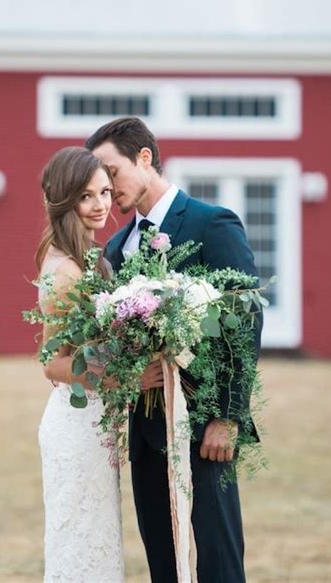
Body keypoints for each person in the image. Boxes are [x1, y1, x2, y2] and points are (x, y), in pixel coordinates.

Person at [86, 117, 262, 583]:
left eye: (112, 173)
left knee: (218, 557)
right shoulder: (119, 247)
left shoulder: (212, 223)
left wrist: (227, 417)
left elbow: (244, 324)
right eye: (98, 182)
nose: (107, 189)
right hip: (144, 434)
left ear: (144, 157)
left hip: (205, 428)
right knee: (163, 563)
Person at [35, 146, 124, 583]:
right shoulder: (65, 270)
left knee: (98, 542)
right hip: (75, 423)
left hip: (97, 423)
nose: (101, 205)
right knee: (79, 547)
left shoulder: (89, 259)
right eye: (87, 195)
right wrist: (122, 370)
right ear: (66, 198)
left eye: (105, 192)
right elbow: (53, 364)